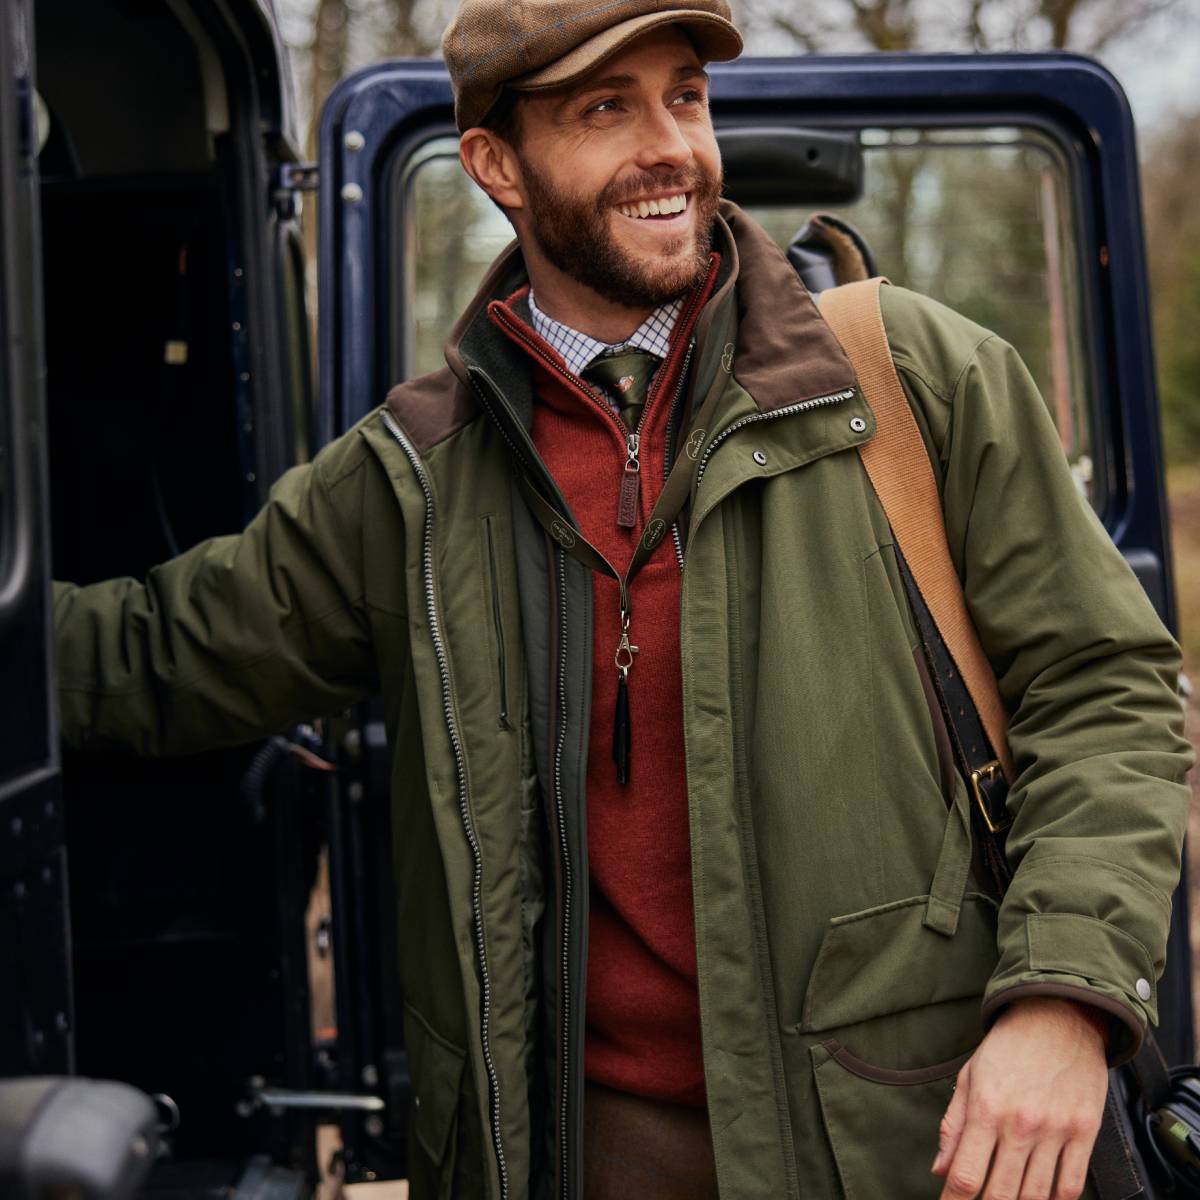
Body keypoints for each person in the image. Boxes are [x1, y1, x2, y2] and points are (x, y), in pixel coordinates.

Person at [53, 0, 1192, 1196]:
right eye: (607, 108)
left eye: (685, 96)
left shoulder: (911, 379)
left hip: (912, 1150)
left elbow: (1107, 692)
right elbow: (152, 655)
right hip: (582, 1161)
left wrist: (1063, 1003)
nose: (672, 146)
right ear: (497, 163)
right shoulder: (413, 478)